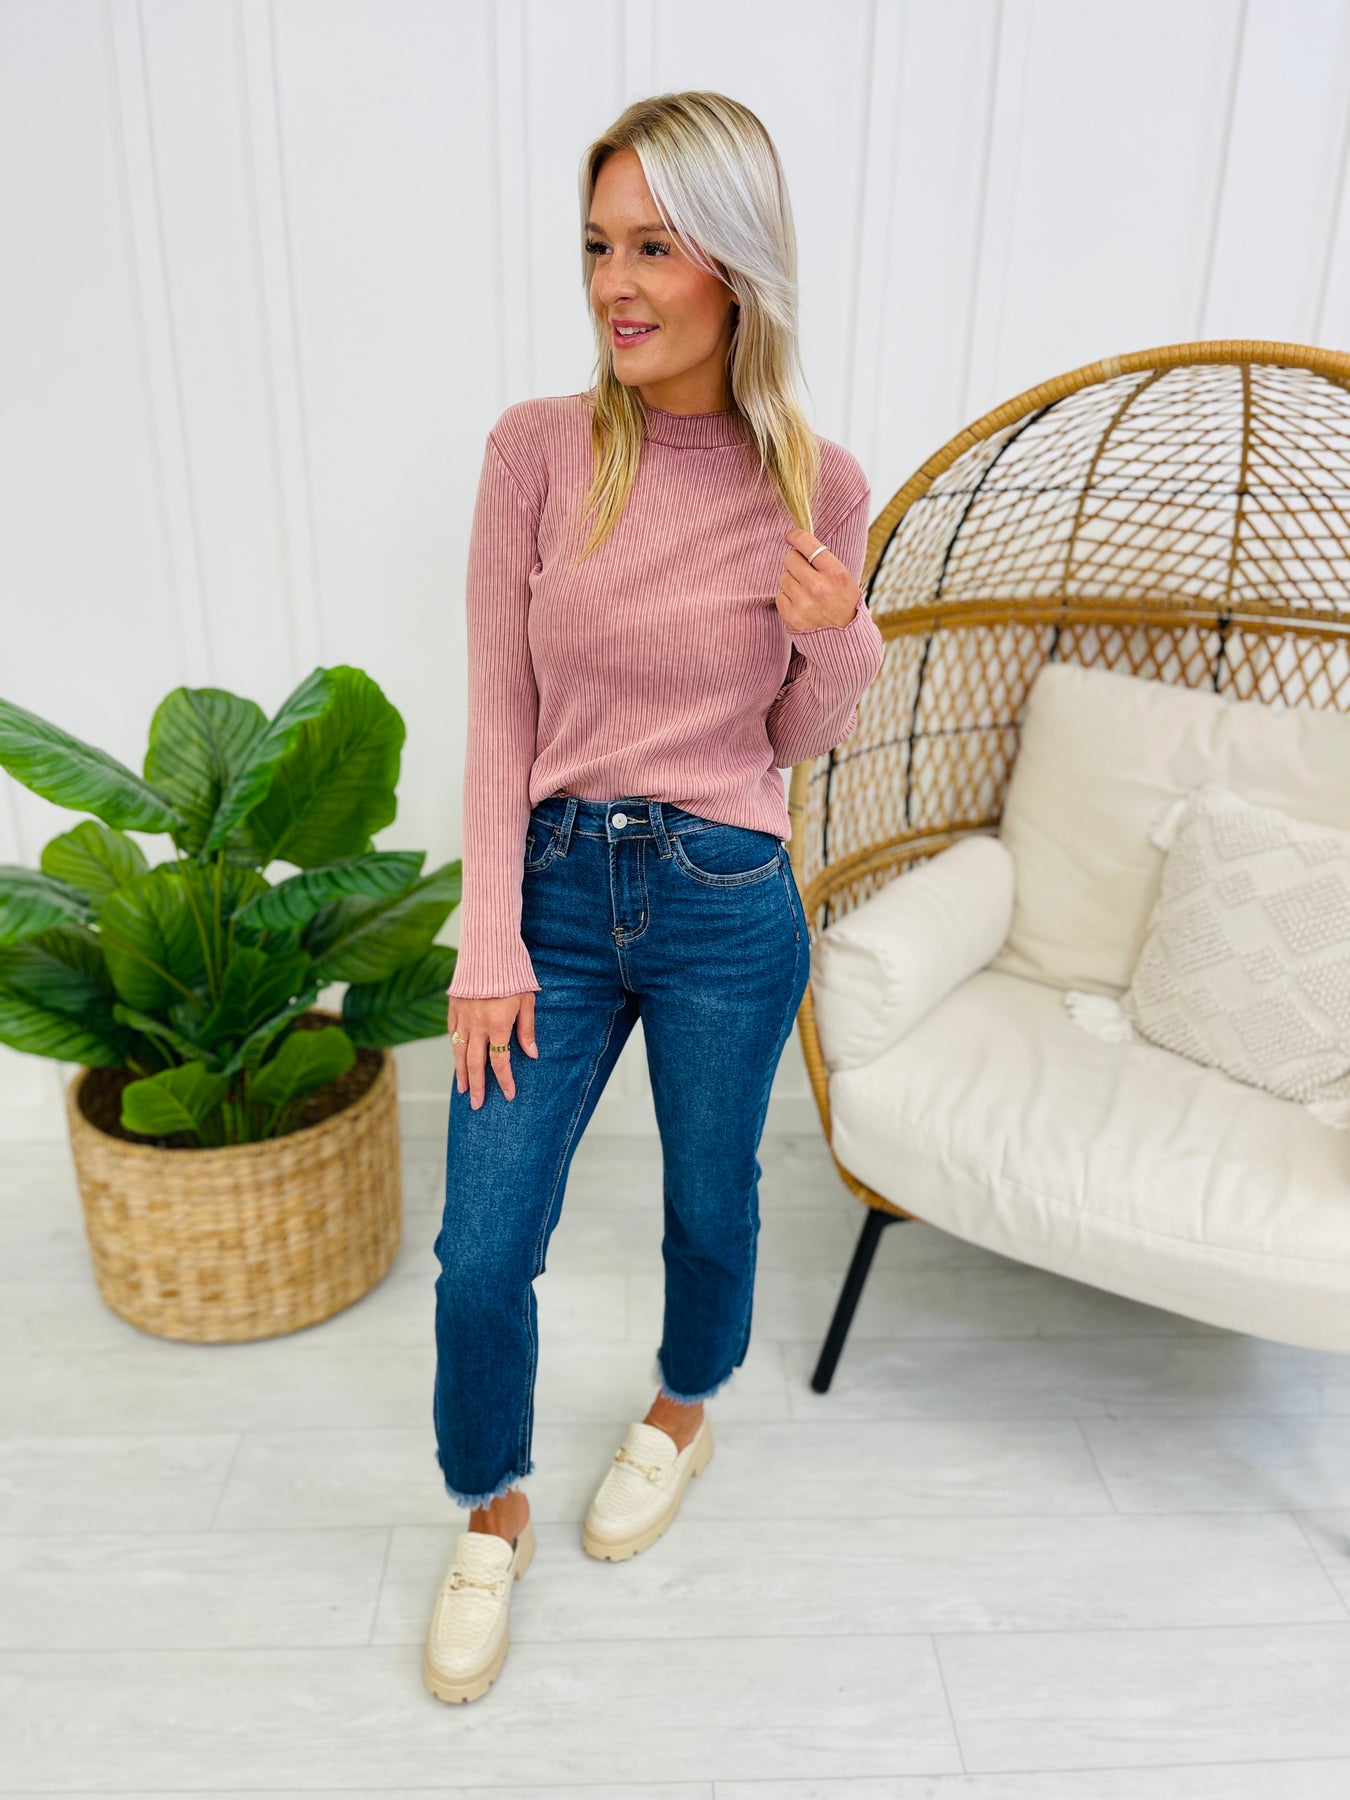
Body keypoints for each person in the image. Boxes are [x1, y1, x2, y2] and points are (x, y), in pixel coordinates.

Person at [424, 90, 886, 1704]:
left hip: (721, 894)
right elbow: (498, 710)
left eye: (653, 249)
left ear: (735, 269)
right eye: (596, 247)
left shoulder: (818, 481)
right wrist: (487, 939)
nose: (615, 285)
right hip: (551, 894)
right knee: (481, 1250)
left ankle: (682, 1408)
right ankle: (488, 1506)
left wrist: (836, 632)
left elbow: (795, 737)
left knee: (711, 1202)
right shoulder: (536, 452)